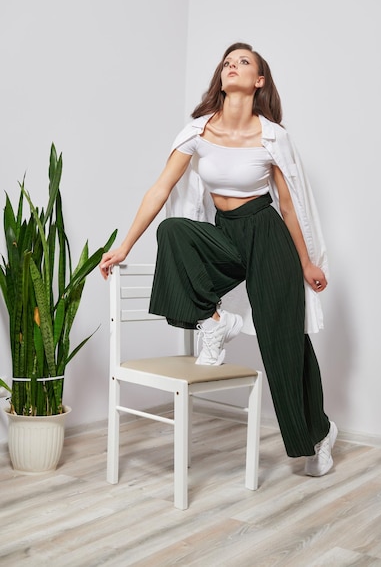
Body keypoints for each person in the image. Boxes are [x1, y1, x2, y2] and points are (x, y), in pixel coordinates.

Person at [100, 42, 337, 476]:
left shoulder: (272, 136)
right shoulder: (197, 132)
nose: (232, 66)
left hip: (268, 235)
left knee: (284, 342)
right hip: (225, 234)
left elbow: (290, 205)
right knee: (173, 231)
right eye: (228, 62)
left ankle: (317, 434)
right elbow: (160, 191)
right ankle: (215, 322)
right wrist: (125, 246)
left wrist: (306, 262)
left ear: (258, 80)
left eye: (243, 62)